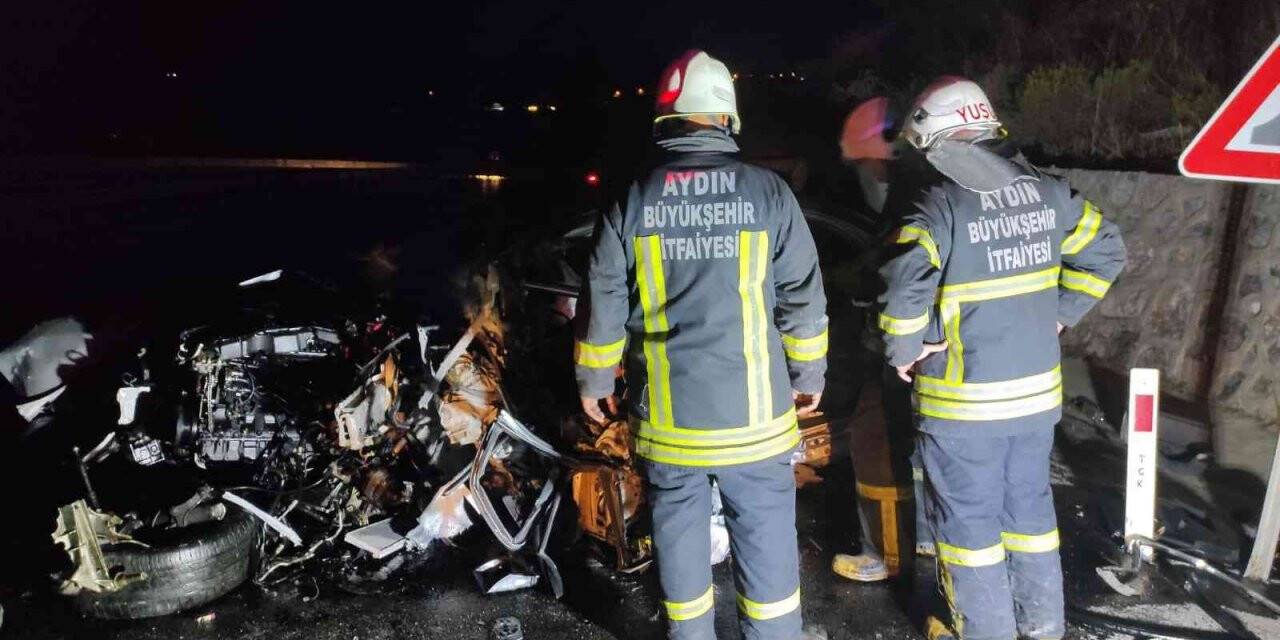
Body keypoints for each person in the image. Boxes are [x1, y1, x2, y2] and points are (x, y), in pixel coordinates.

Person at [575, 49, 828, 640]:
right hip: (756, 423)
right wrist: (808, 376)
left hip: (670, 425)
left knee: (681, 543)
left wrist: (593, 383)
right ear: (727, 119)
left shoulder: (631, 198)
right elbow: (803, 298)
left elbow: (603, 300)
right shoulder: (769, 194)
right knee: (766, 545)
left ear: (664, 119)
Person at [879, 77, 1126, 640]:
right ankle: (1042, 629)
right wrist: (1061, 312)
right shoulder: (1047, 191)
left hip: (964, 406)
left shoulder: (937, 203)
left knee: (968, 530)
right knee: (1031, 522)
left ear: (938, 137)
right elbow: (1107, 250)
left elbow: (902, 292)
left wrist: (904, 349)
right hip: (1036, 400)